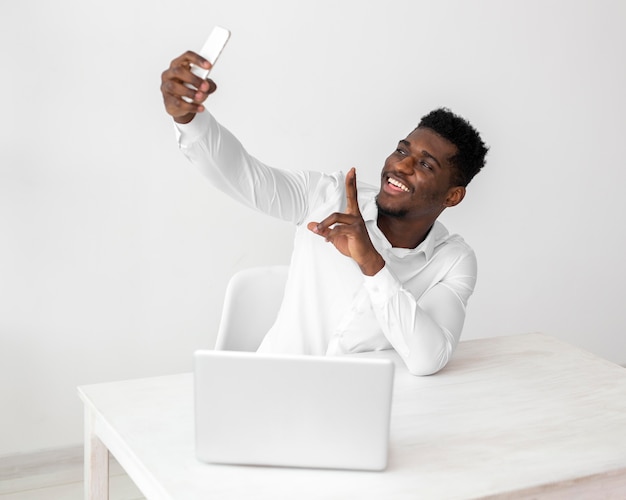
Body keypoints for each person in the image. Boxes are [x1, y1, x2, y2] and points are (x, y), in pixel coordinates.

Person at [160, 51, 488, 376]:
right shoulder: (326, 196)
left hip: (356, 407)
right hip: (267, 389)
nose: (401, 165)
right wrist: (189, 119)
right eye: (402, 150)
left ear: (453, 196)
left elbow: (427, 358)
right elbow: (244, 176)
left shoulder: (452, 260)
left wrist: (372, 264)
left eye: (425, 164)